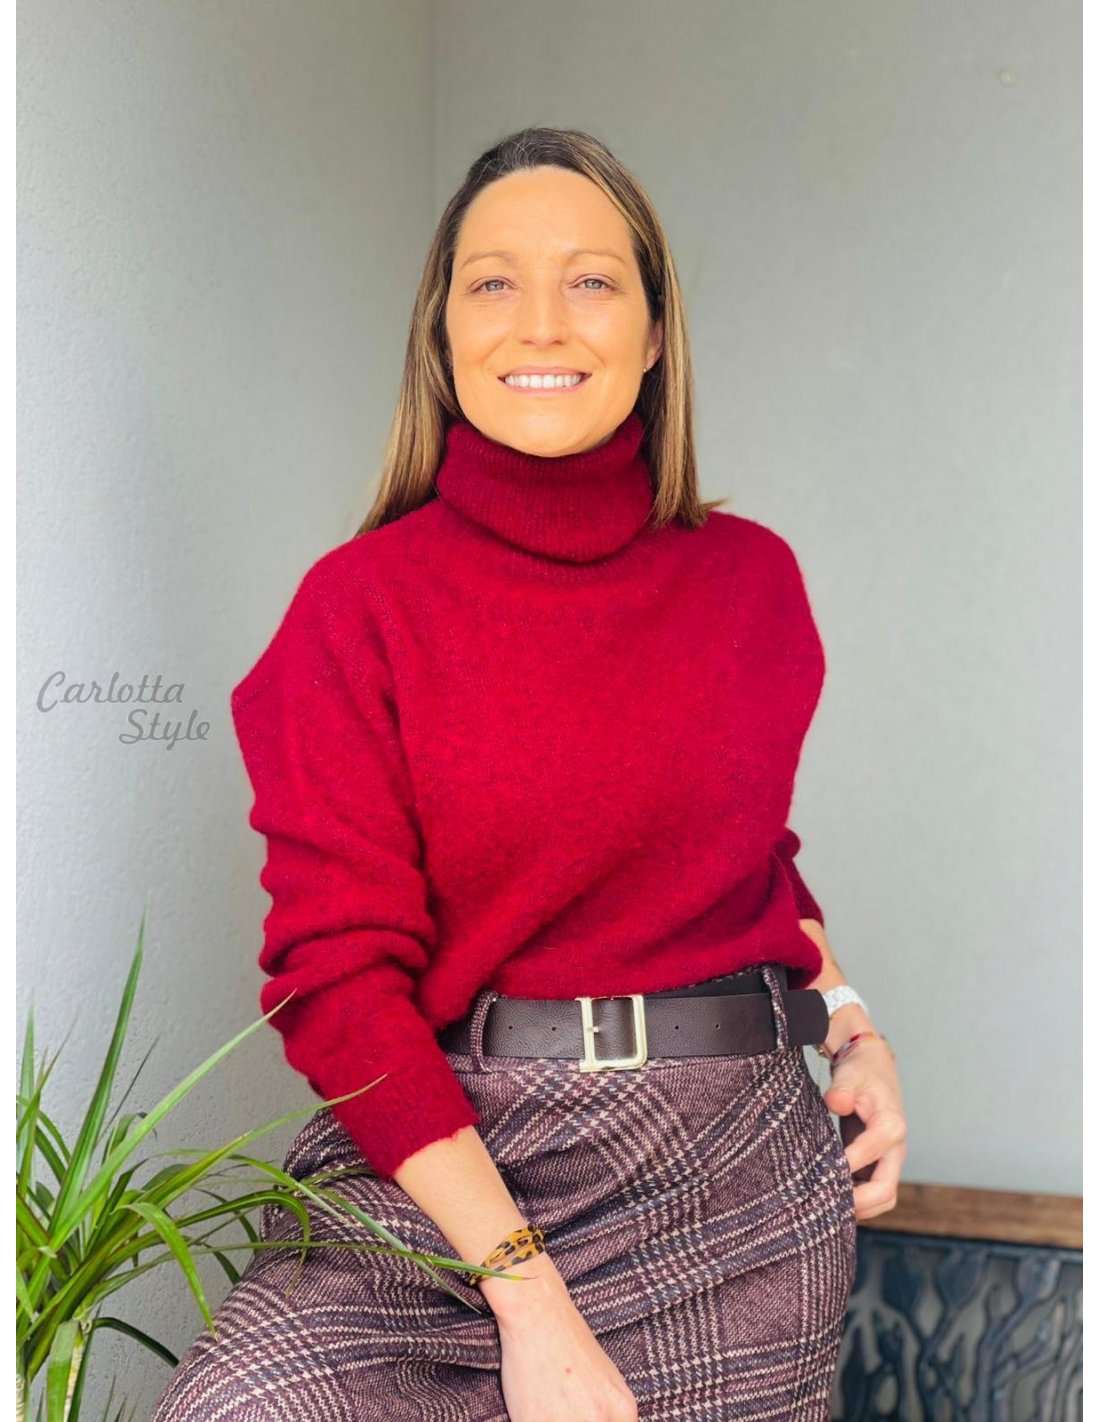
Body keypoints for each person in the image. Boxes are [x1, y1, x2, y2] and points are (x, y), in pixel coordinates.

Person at [152, 126, 906, 1422]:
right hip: (454, 1173)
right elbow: (337, 983)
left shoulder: (752, 584)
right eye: (494, 282)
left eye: (592, 280)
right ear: (442, 331)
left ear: (656, 331)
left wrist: (853, 1024)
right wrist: (528, 1296)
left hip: (738, 1173)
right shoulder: (356, 609)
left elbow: (750, 863)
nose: (541, 322)